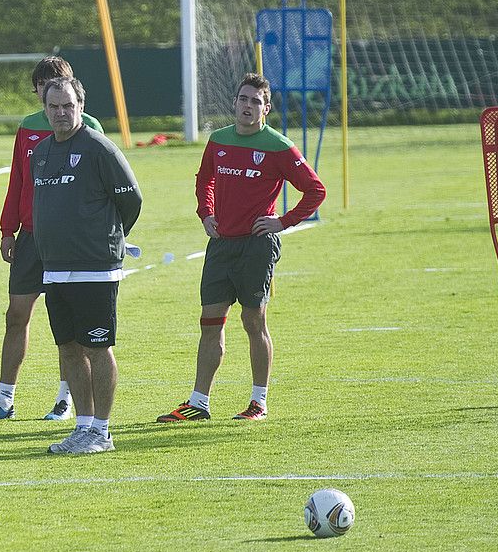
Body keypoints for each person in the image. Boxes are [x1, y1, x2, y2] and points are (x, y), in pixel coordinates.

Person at [156, 73, 325, 424]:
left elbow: (315, 190)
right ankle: (198, 403)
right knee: (210, 322)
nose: (248, 106)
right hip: (220, 244)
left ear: (266, 108)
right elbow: (205, 179)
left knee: (253, 320)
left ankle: (258, 402)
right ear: (234, 103)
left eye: (255, 101)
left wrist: (283, 221)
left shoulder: (278, 146)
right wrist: (206, 213)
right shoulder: (219, 141)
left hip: (256, 247)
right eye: (243, 99)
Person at [0, 56, 104, 423]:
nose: (49, 91)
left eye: (57, 83)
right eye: (43, 86)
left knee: (69, 324)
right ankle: (4, 399)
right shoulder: (28, 128)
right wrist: (7, 229)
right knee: (16, 315)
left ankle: (65, 399)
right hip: (30, 237)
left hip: (71, 244)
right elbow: (18, 182)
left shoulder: (89, 127)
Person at [32, 77, 141, 455]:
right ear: (44, 108)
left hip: (95, 268)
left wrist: (106, 238)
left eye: (68, 106)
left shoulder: (99, 148)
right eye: (54, 107)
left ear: (81, 105)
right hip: (55, 267)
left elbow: (131, 201)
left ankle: (103, 431)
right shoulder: (41, 152)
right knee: (68, 348)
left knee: (98, 347)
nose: (61, 113)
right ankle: (83, 427)